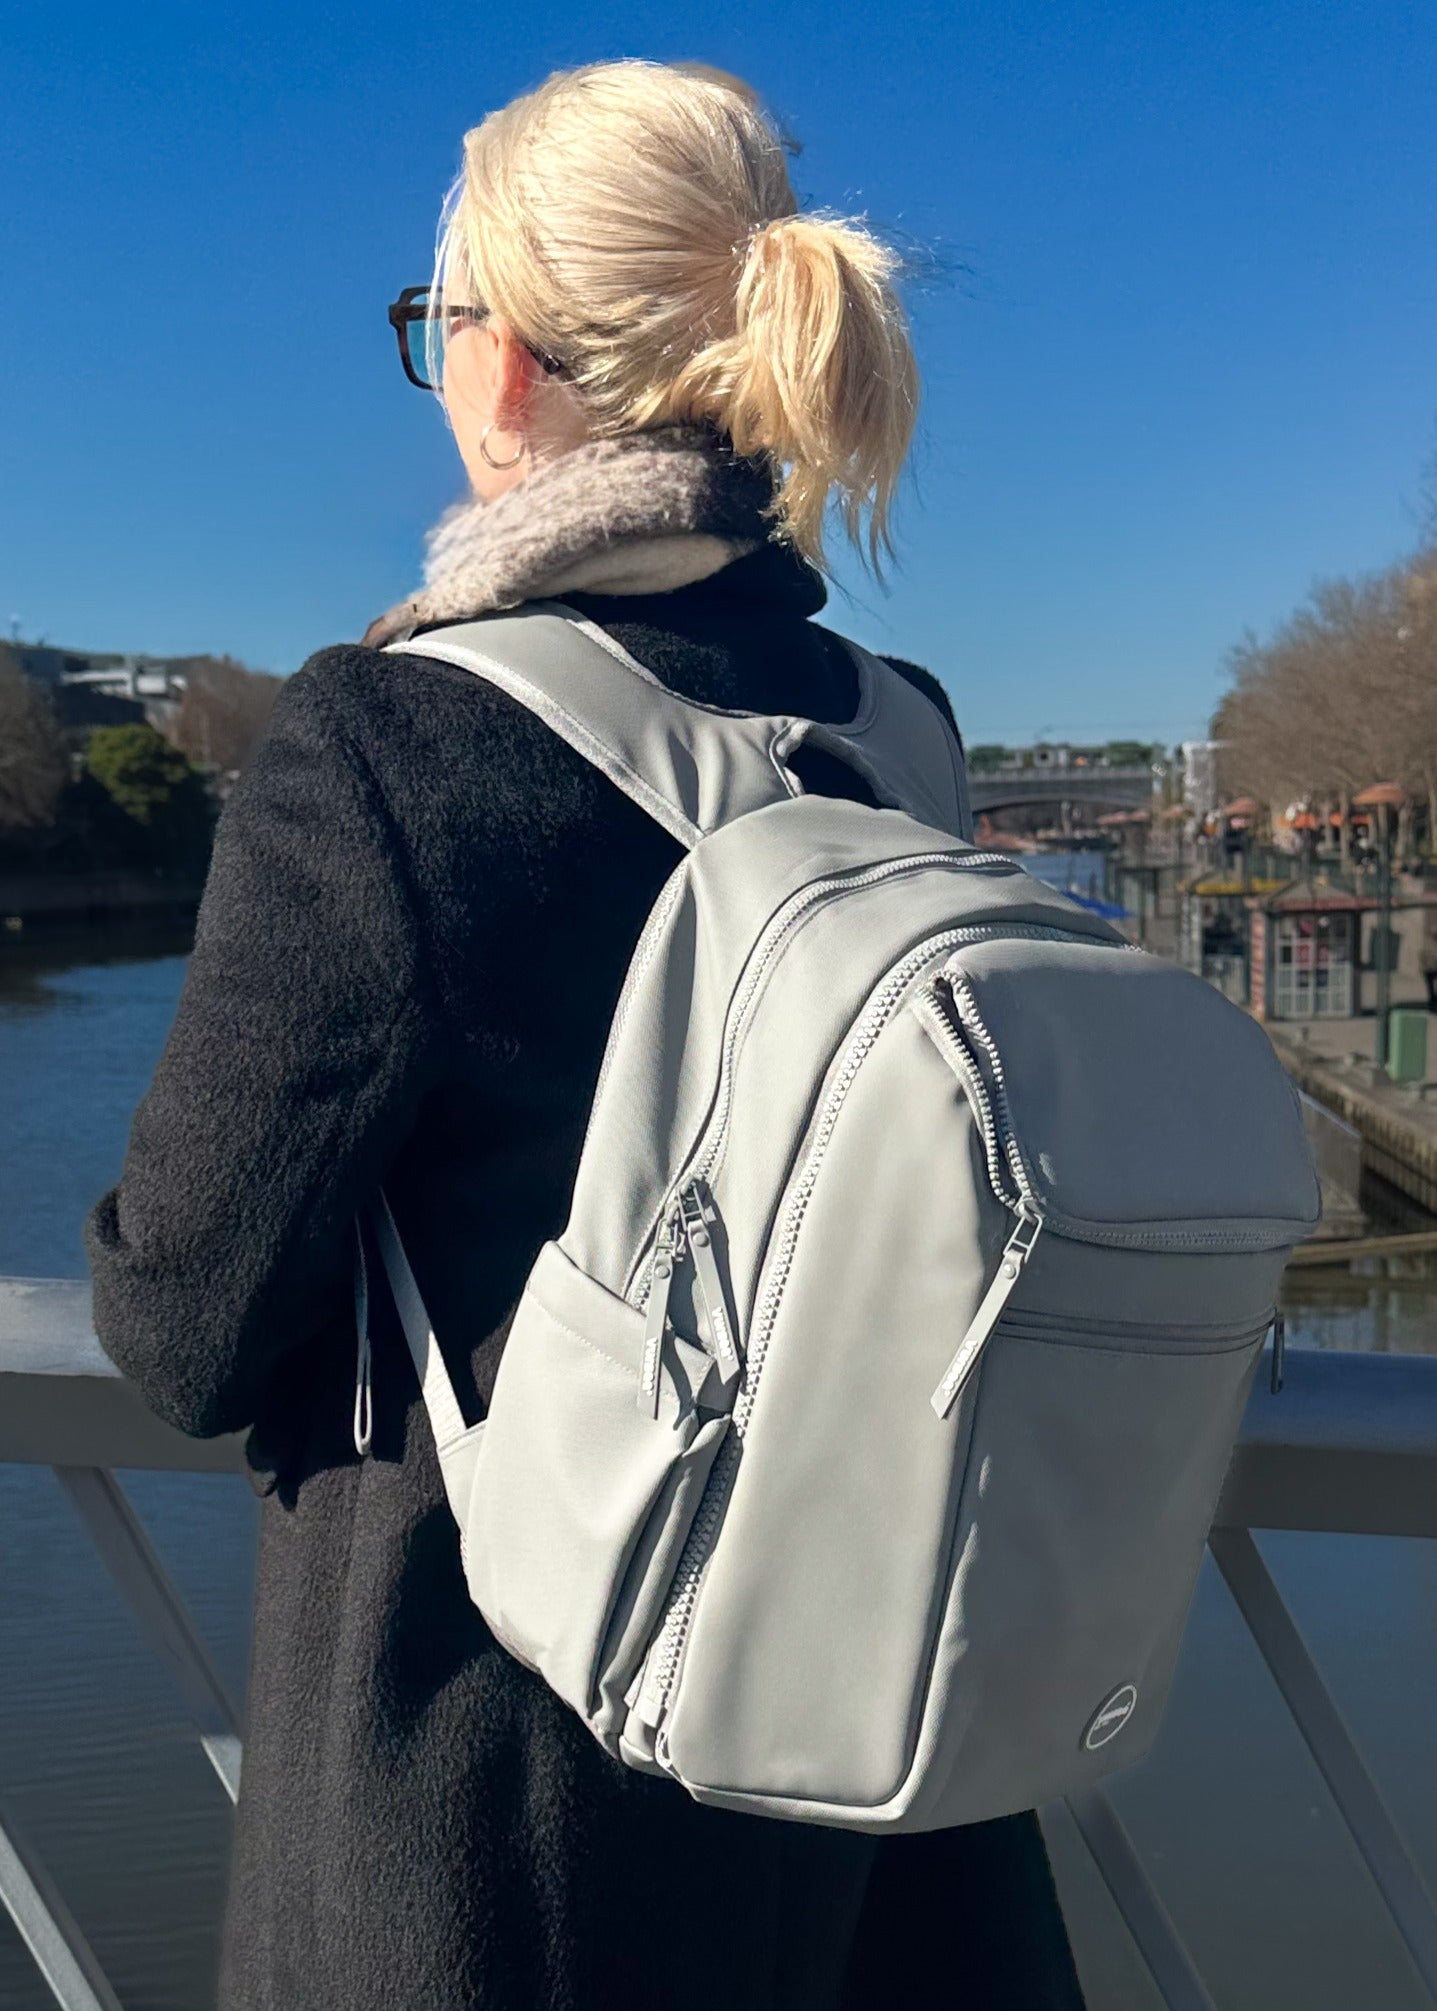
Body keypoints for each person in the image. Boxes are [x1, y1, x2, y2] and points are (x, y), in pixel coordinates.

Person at [86, 59, 1086, 2011]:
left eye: (436, 323)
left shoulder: (391, 740)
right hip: (882, 1762)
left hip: (503, 1807)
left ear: (512, 360)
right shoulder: (900, 733)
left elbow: (185, 1328)